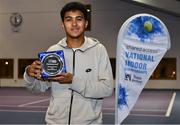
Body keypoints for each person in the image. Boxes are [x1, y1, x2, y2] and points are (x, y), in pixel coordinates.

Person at [24, 1, 114, 124]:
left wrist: (73, 81)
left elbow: (107, 89)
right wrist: (30, 75)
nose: (74, 24)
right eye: (68, 19)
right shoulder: (53, 51)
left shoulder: (99, 50)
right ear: (62, 24)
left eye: (79, 19)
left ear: (86, 23)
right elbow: (38, 88)